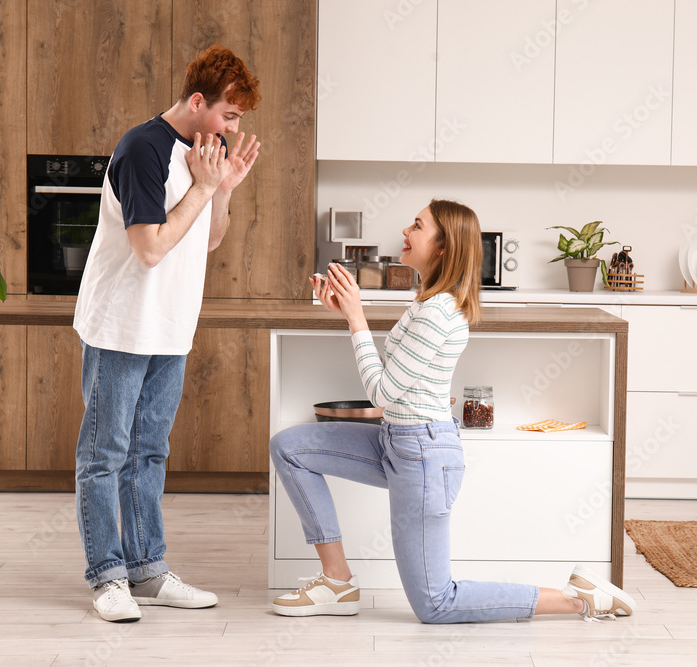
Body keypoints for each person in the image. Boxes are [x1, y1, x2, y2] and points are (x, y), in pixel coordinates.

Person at [269, 199, 637, 623]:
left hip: (422, 457)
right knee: (290, 446)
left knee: (435, 603)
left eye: (417, 226)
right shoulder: (426, 301)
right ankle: (337, 582)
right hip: (397, 442)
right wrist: (348, 314)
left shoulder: (440, 311)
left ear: (443, 247)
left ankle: (579, 600)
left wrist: (356, 320)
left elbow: (382, 392)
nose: (405, 232)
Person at [72, 44, 261, 623]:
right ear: (198, 101)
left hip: (171, 327)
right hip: (121, 325)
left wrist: (223, 189)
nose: (233, 129)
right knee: (106, 454)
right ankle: (107, 577)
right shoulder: (142, 148)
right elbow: (150, 247)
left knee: (150, 452)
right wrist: (203, 188)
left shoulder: (204, 155)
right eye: (229, 115)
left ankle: (147, 571)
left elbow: (206, 239)